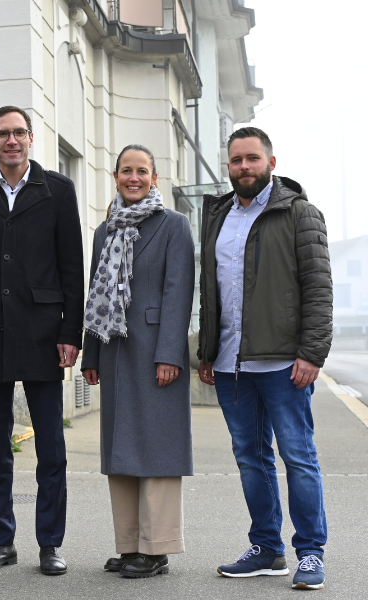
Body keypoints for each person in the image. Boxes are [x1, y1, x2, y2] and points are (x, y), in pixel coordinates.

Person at [0, 106, 84, 576]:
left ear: (31, 139)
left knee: (51, 447)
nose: (12, 140)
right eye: (3, 133)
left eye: (19, 133)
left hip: (45, 334)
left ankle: (50, 544)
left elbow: (72, 266)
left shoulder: (58, 190)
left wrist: (72, 332)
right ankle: (1, 541)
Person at [197, 127, 332, 590]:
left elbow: (318, 289)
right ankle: (267, 549)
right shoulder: (217, 214)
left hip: (283, 363)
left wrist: (312, 352)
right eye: (235, 160)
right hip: (231, 364)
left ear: (271, 163)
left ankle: (310, 552)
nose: (243, 168)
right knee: (251, 459)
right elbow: (210, 289)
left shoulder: (299, 214)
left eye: (252, 159)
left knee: (298, 457)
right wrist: (207, 350)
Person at [80, 144, 195, 578]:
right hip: (112, 351)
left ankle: (158, 547)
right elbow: (95, 296)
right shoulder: (104, 229)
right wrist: (90, 353)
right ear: (115, 177)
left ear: (154, 179)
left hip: (154, 353)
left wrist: (170, 354)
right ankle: (130, 545)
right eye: (126, 171)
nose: (134, 177)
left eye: (142, 171)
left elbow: (178, 293)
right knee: (121, 448)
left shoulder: (175, 225)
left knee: (158, 446)